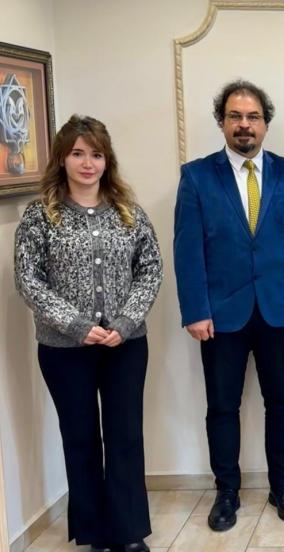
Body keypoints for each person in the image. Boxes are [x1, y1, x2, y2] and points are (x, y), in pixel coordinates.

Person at [173, 80, 284, 531]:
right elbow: (187, 249)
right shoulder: (197, 176)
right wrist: (195, 309)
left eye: (253, 117)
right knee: (222, 407)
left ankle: (283, 487)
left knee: (282, 402)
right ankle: (227, 493)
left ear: (265, 124)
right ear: (222, 122)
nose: (244, 124)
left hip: (280, 311)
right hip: (221, 316)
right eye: (235, 116)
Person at [14, 115, 162, 552]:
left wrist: (125, 322)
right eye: (78, 154)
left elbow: (150, 270)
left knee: (125, 436)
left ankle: (128, 532)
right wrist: (78, 325)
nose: (87, 163)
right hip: (64, 349)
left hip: (125, 346)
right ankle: (95, 534)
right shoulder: (40, 216)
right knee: (80, 438)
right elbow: (29, 280)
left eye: (96, 154)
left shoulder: (130, 213)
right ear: (62, 158)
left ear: (107, 160)